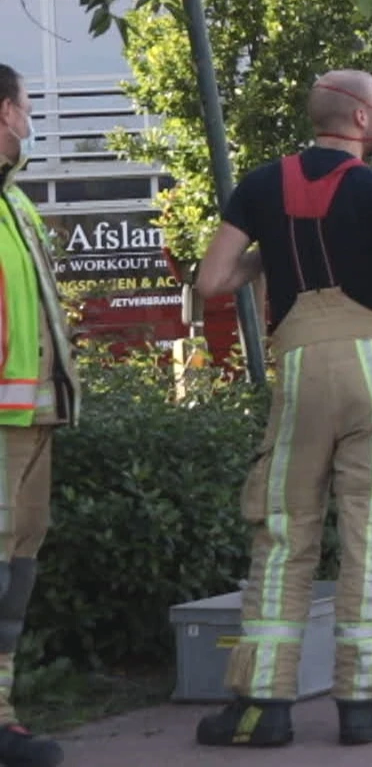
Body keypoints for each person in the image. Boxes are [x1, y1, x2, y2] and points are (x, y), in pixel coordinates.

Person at [193, 70, 372, 748]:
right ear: (361, 120)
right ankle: (364, 707)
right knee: (369, 537)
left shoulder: (262, 184)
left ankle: (262, 708)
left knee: (283, 536)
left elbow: (212, 279)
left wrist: (266, 261)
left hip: (299, 371)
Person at [0, 66, 77, 767]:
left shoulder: (15, 205)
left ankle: (3, 714)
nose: (29, 123)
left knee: (15, 569)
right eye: (25, 109)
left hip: (27, 422)